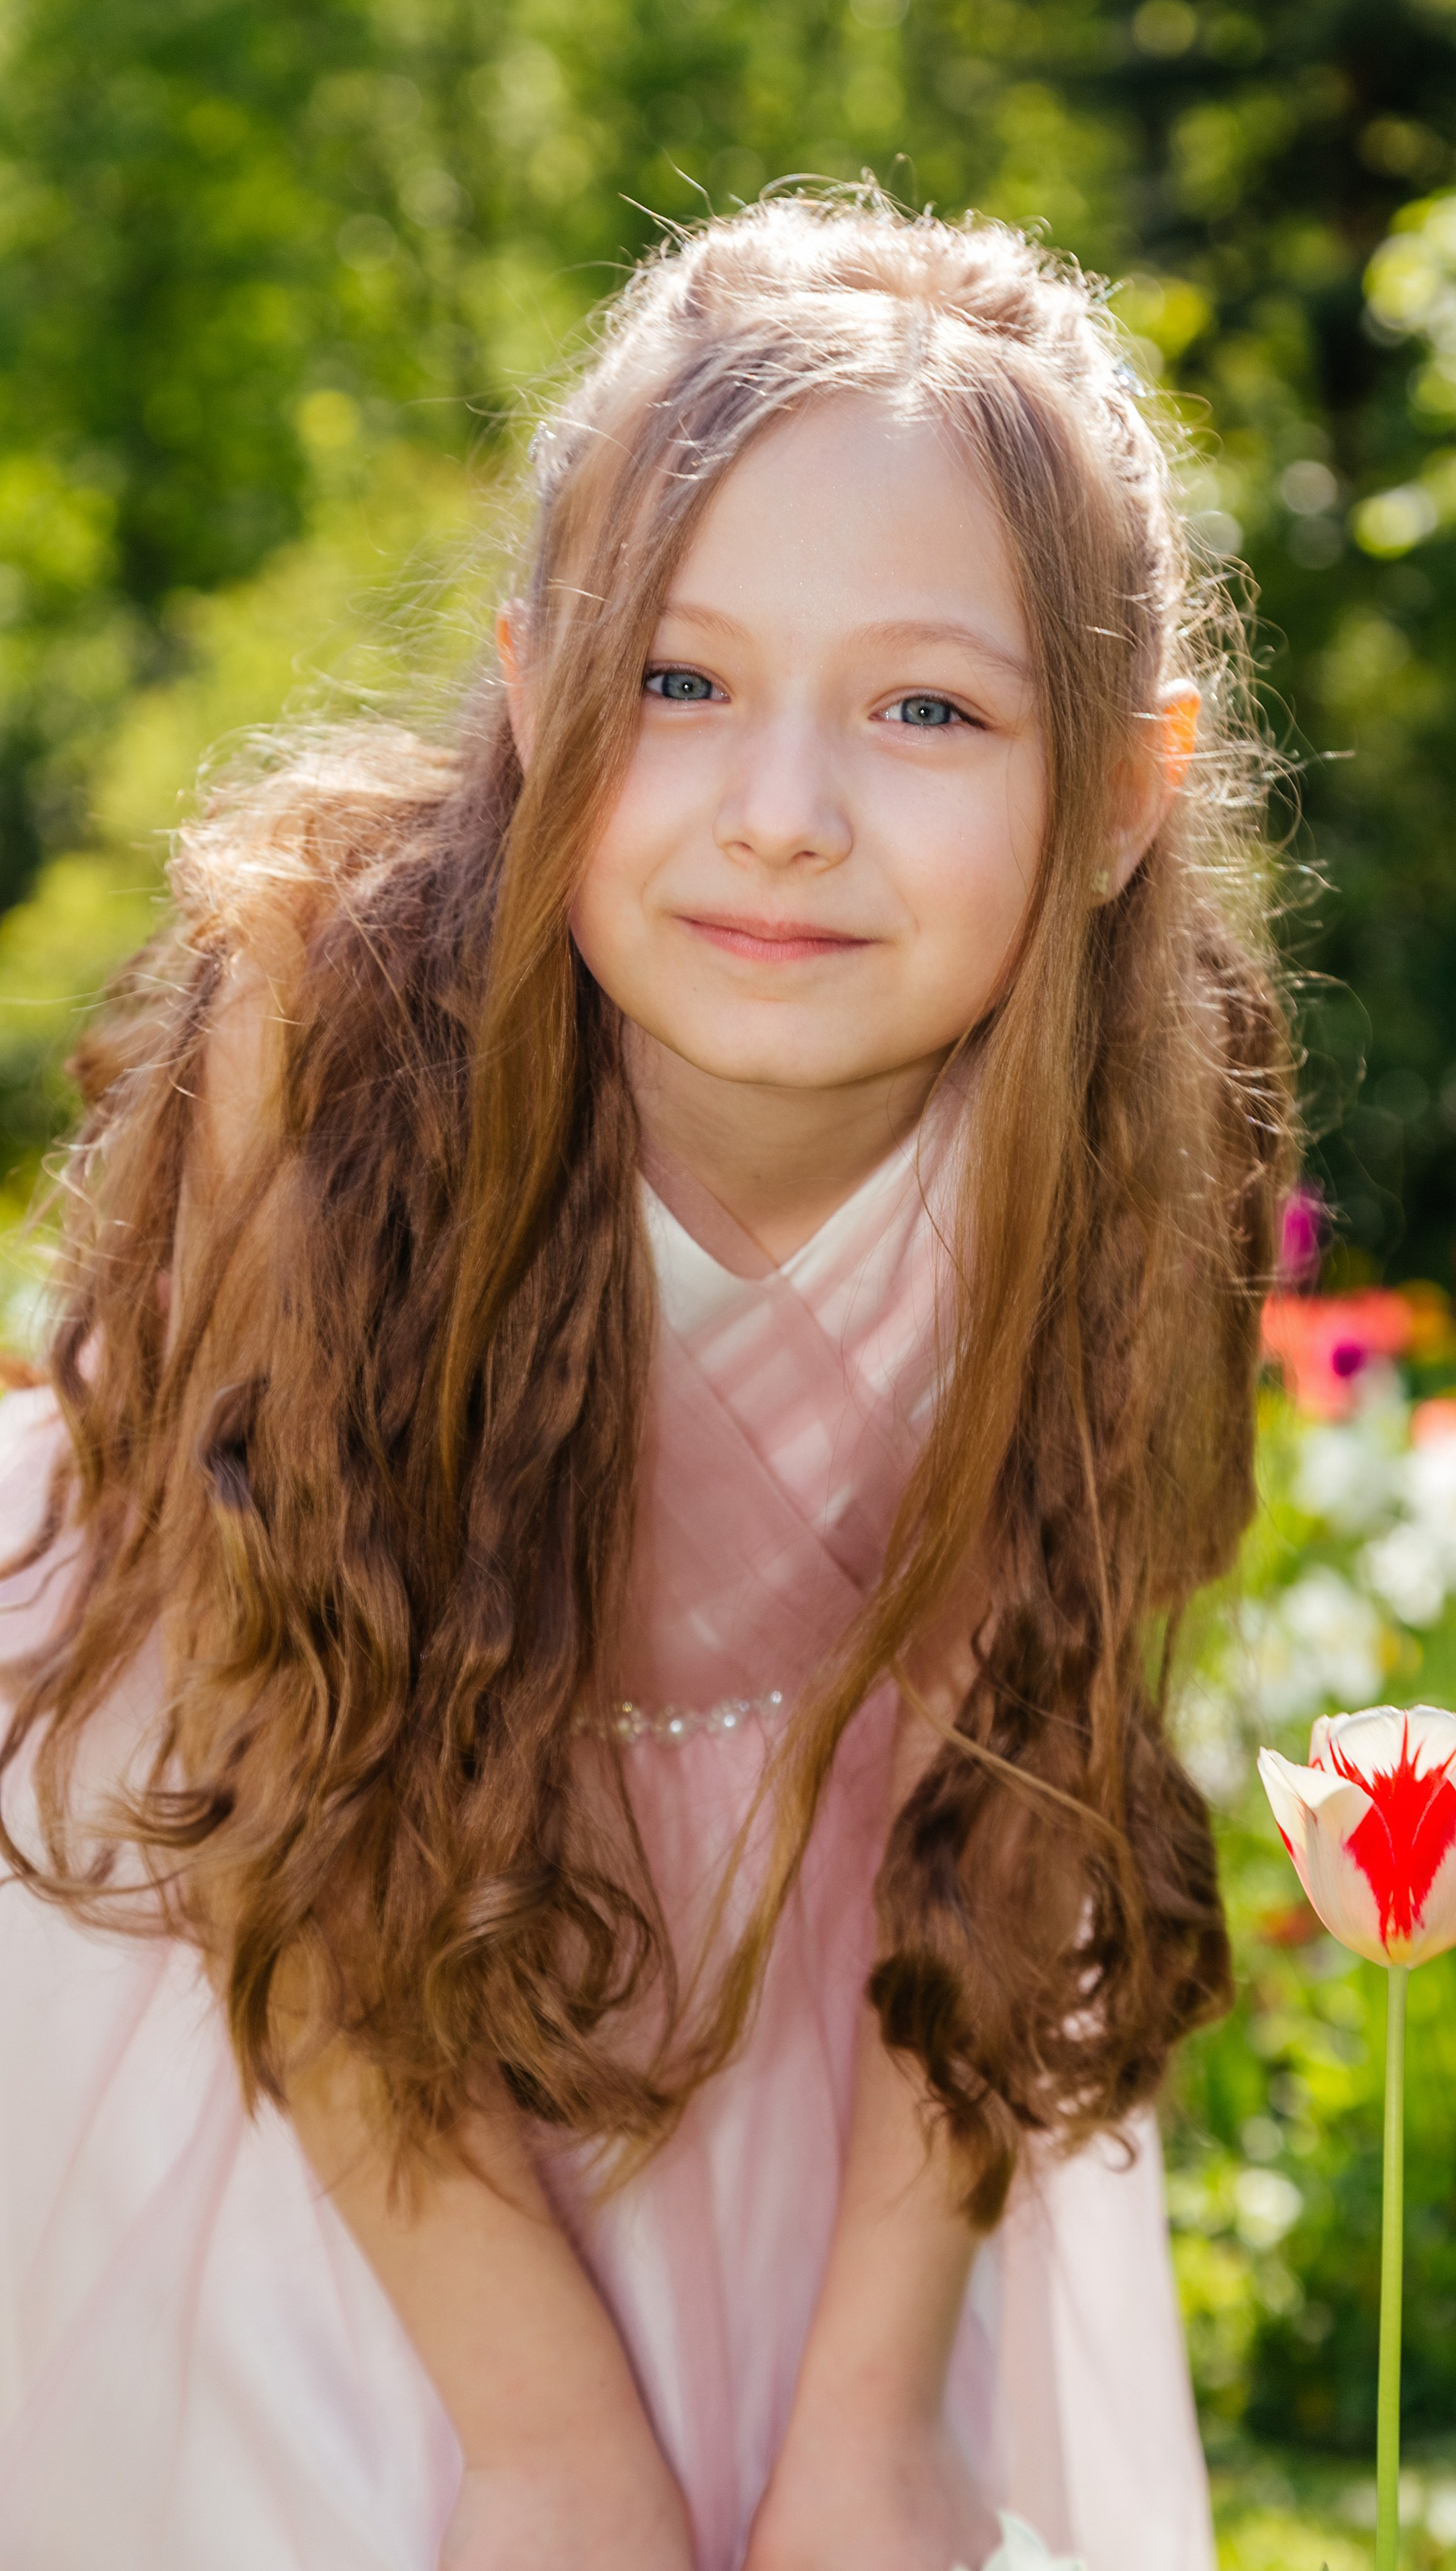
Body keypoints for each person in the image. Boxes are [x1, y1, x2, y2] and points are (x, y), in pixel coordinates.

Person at [0, 192, 1289, 2571]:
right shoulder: (334, 1040)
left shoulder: (1116, 1152)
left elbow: (1019, 1764)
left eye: (927, 709)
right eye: (680, 683)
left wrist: (884, 2396)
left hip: (840, 1991)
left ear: (1118, 792)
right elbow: (286, 1765)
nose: (783, 809)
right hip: (289, 1916)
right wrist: (543, 2436)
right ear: (527, 695)